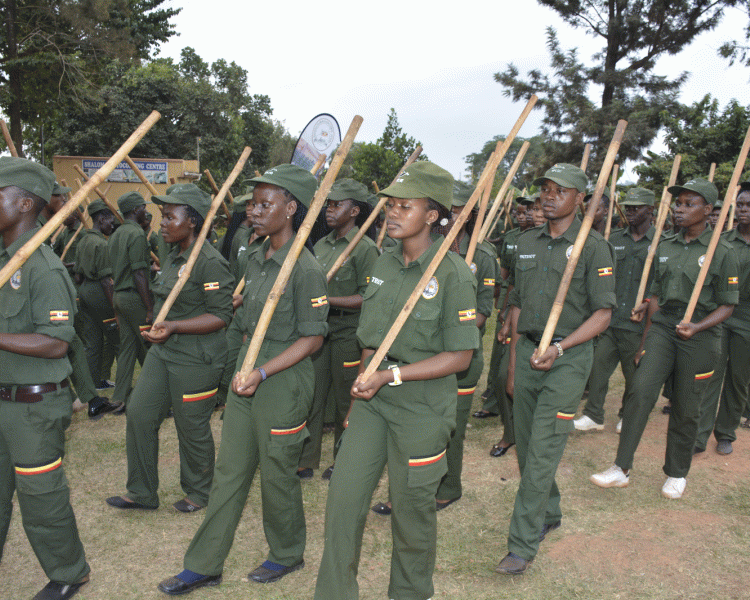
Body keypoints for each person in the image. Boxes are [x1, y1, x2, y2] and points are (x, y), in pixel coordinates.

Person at [157, 164, 328, 595]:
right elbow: (242, 322)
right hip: (246, 372)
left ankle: (287, 553)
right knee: (230, 471)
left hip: (283, 377)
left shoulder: (305, 268)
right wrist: (235, 370)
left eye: (264, 203)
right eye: (253, 203)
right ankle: (204, 564)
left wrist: (263, 371)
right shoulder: (254, 256)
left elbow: (311, 340)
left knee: (276, 473)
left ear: (291, 209)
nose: (253, 210)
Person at [314, 161, 480, 600]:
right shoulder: (383, 264)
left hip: (423, 408)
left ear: (432, 215)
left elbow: (461, 355)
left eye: (406, 206)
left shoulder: (454, 274)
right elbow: (371, 337)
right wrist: (364, 387)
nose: (393, 212)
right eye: (391, 204)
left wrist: (393, 375)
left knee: (411, 516)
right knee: (343, 503)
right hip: (373, 404)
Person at [496, 164, 616, 575]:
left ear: (580, 199)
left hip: (567, 359)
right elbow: (515, 305)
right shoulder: (526, 242)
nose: (548, 196)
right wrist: (513, 365)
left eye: (559, 191)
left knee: (544, 449)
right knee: (529, 449)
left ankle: (522, 544)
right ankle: (549, 510)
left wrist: (561, 347)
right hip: (528, 353)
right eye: (545, 189)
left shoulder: (594, 247)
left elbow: (602, 314)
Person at [590, 178, 738, 499]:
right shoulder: (667, 245)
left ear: (708, 210)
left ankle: (676, 472)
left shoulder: (721, 251)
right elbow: (655, 294)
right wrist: (645, 337)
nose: (679, 209)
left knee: (686, 406)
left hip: (700, 334)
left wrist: (697, 327)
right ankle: (621, 467)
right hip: (663, 328)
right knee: (640, 392)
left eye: (689, 204)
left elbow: (728, 305)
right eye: (678, 203)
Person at [106, 184, 233, 512]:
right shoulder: (173, 255)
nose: (161, 223)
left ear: (192, 221)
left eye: (170, 217)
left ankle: (200, 492)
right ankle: (142, 491)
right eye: (162, 217)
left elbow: (220, 315)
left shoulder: (209, 262)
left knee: (191, 425)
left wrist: (175, 326)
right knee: (138, 413)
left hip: (197, 357)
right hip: (164, 352)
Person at [0, 157, 90, 600]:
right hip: (1, 400)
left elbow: (57, 341)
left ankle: (69, 572)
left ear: (24, 204)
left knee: (41, 497)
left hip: (35, 406)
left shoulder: (44, 269)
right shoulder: (4, 260)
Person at [298, 179, 378, 480]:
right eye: (328, 205)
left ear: (355, 210)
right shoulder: (321, 244)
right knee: (313, 395)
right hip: (320, 331)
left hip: (347, 331)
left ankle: (343, 458)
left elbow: (367, 297)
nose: (329, 210)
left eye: (336, 205)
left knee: (347, 398)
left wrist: (326, 299)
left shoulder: (365, 249)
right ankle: (306, 458)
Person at [434, 182, 497, 508]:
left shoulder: (483, 255)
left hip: (461, 357)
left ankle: (448, 488)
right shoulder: (429, 250)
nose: (453, 216)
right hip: (425, 357)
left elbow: (482, 314)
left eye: (460, 210)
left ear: (472, 214)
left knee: (452, 429)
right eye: (449, 210)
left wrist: (443, 331)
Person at [574, 187, 656, 433]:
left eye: (636, 207)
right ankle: (593, 414)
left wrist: (649, 300)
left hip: (638, 322)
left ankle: (627, 414)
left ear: (650, 210)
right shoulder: (615, 239)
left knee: (634, 374)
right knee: (598, 368)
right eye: (627, 207)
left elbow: (665, 283)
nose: (630, 211)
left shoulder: (660, 242)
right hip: (611, 317)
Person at [695, 182, 750, 455]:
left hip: (748, 322)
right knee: (710, 376)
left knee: (738, 380)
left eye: (749, 205)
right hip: (720, 316)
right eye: (740, 204)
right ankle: (699, 435)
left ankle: (726, 432)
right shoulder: (723, 241)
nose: (744, 210)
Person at [73, 199, 121, 411]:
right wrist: (115, 309)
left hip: (83, 291)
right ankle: (125, 385)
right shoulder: (101, 244)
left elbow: (77, 276)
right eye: (110, 219)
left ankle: (93, 385)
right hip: (99, 292)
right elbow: (105, 280)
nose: (112, 223)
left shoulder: (83, 240)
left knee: (92, 342)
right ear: (101, 218)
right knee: (117, 338)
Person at [108, 191, 154, 409]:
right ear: (136, 210)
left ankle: (119, 397)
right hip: (134, 298)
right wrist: (150, 306)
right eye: (144, 207)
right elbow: (139, 273)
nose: (146, 211)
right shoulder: (136, 234)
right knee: (150, 349)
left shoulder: (116, 234)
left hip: (119, 296)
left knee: (127, 348)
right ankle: (155, 398)